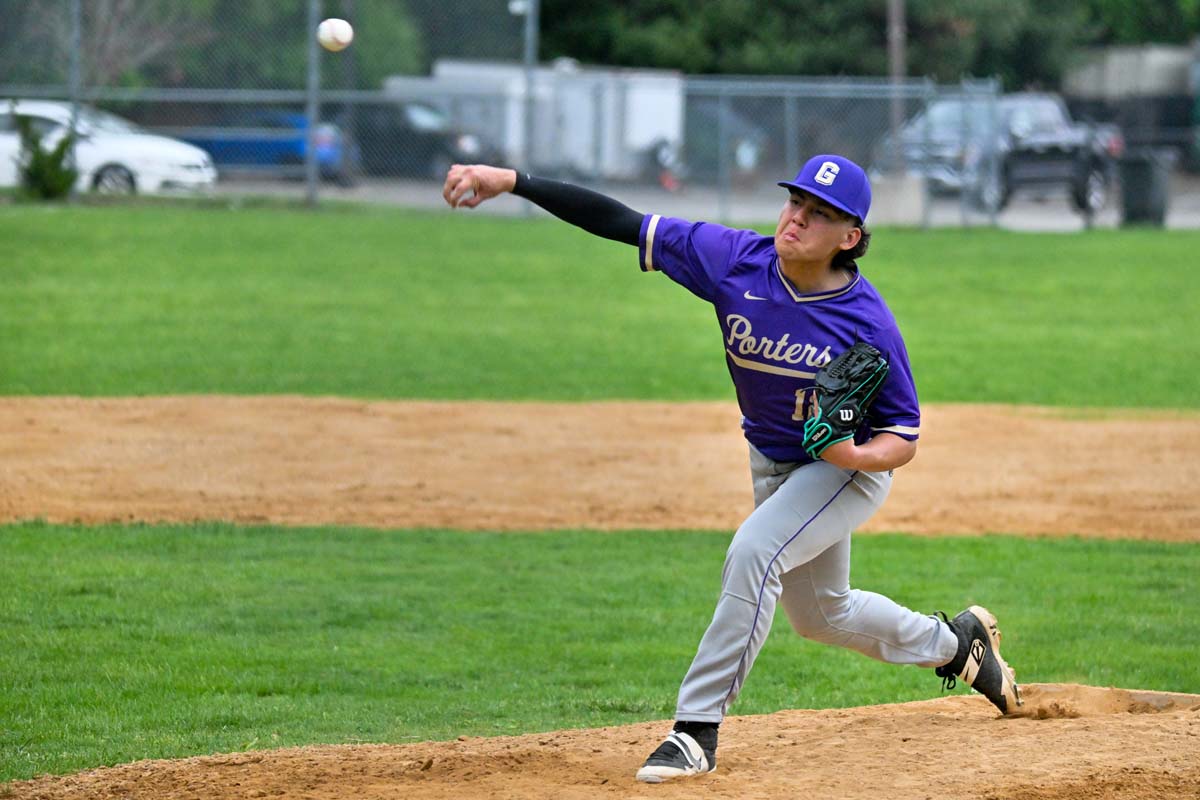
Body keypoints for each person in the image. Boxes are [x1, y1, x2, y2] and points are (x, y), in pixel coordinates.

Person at [442, 156, 1021, 783]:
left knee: (755, 552)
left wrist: (853, 457)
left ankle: (695, 730)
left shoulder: (867, 321)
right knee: (823, 615)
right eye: (795, 201)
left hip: (843, 472)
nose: (797, 217)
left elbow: (902, 435)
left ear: (850, 237)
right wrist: (515, 182)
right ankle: (958, 646)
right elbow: (620, 221)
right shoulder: (733, 260)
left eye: (819, 213)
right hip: (774, 463)